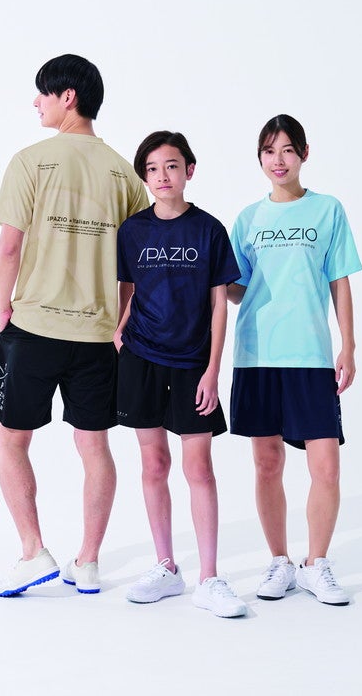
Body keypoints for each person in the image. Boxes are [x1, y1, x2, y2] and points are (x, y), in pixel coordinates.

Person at [0, 54, 149, 597]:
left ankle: (34, 552)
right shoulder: (126, 174)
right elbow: (134, 267)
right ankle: (89, 562)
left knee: (12, 440)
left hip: (33, 326)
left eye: (43, 93)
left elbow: (10, 246)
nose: (36, 102)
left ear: (68, 96)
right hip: (98, 335)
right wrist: (120, 321)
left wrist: (2, 306)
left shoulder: (30, 161)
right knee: (94, 446)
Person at [228, 114, 362, 606]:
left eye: (287, 149)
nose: (278, 160)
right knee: (267, 464)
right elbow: (238, 289)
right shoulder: (248, 219)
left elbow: (339, 280)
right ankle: (280, 562)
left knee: (326, 466)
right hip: (256, 355)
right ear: (260, 158)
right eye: (269, 151)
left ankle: (316, 564)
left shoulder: (327, 210)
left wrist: (348, 345)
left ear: (304, 153)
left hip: (310, 354)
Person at [114, 131, 246, 618]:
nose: (162, 176)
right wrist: (119, 332)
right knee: (153, 465)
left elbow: (220, 305)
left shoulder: (208, 230)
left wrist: (213, 369)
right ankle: (166, 567)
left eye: (171, 166)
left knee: (198, 469)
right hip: (141, 360)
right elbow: (128, 290)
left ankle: (209, 577)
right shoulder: (132, 231)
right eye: (151, 169)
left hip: (193, 363)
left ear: (189, 170)